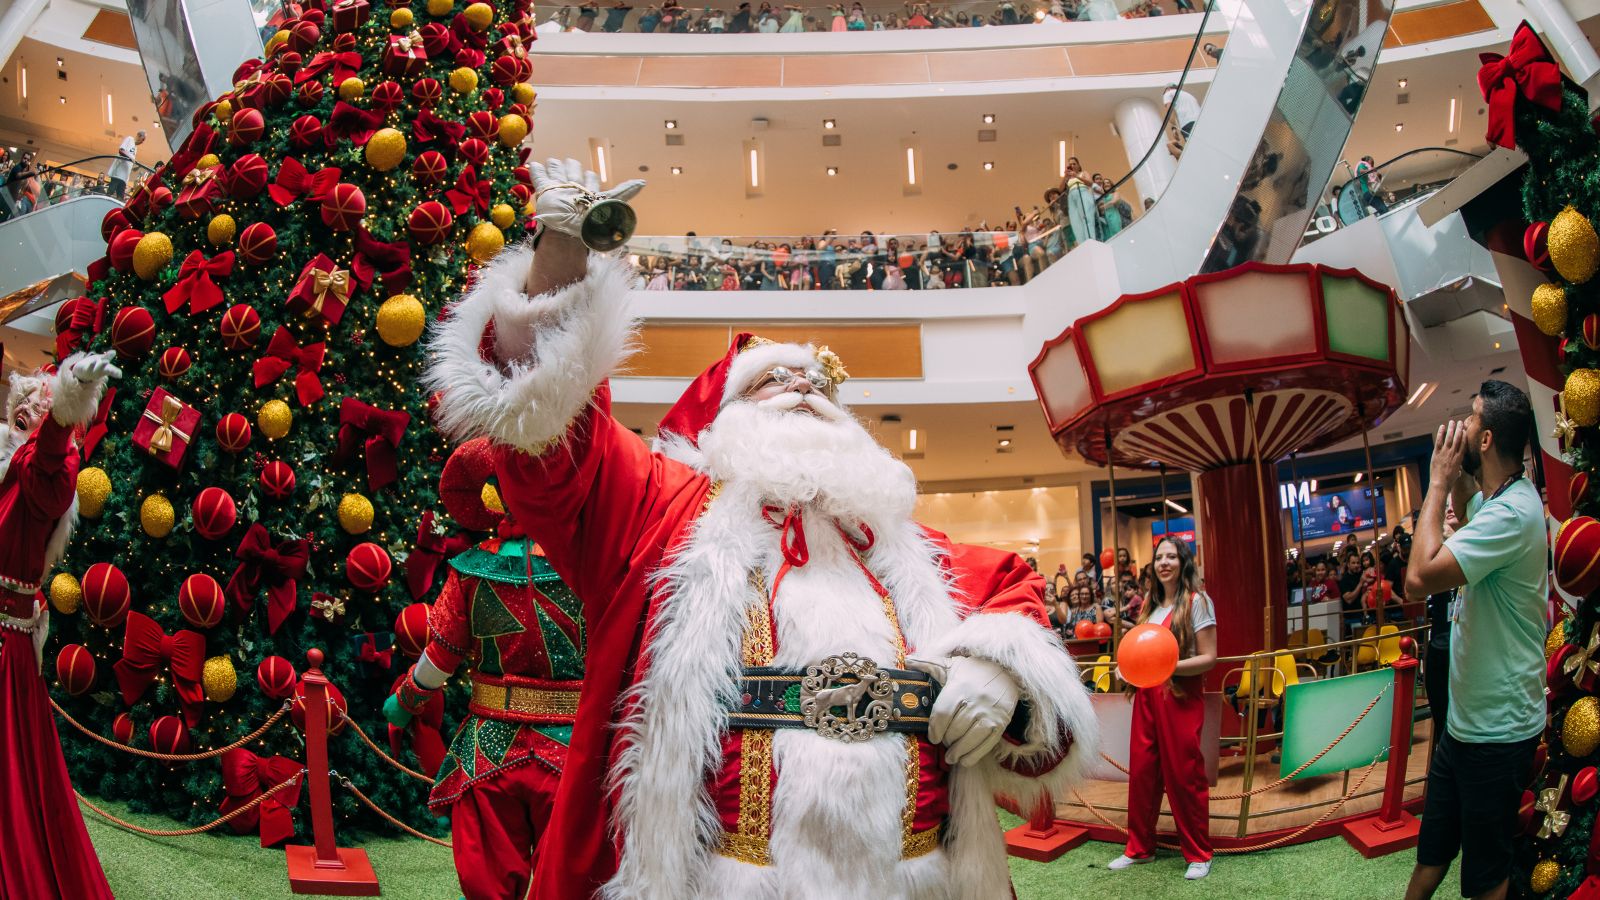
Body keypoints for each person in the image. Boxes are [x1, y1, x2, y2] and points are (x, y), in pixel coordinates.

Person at [424, 159, 1093, 899]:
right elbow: (551, 437)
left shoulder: (911, 553)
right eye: (774, 380)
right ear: (721, 419)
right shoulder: (661, 515)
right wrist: (564, 254)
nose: (804, 386)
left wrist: (1004, 676)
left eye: (817, 384)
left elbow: (1014, 601)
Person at [385, 441, 586, 900]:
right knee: (570, 879)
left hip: (489, 750)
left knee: (489, 880)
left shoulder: (473, 569)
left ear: (493, 495)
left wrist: (406, 701)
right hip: (575, 751)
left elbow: (442, 655)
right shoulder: (587, 561)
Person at [1403, 380, 1545, 900]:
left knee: (1487, 878)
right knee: (1432, 853)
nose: (1461, 424)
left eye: (1470, 417)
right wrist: (1460, 482)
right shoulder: (1499, 498)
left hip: (1498, 734)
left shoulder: (1512, 514)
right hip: (1464, 729)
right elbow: (1469, 513)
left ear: (1485, 439)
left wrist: (1437, 482)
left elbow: (1417, 579)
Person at [0, 353, 121, 900]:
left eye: (40, 402)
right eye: (22, 402)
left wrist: (69, 398)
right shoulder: (6, 465)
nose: (29, 407)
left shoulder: (42, 469)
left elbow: (47, 466)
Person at [1109, 537, 1217, 880]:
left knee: (1184, 775)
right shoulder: (1149, 607)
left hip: (1180, 697)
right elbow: (1142, 655)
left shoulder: (1197, 601)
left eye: (1171, 556)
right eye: (1159, 557)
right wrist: (1125, 669)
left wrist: (1169, 668)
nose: (1164, 562)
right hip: (1146, 697)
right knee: (1142, 774)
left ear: (1183, 561)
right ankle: (1139, 848)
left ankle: (1199, 853)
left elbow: (1209, 658)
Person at [108, 130, 145, 199]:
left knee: (120, 197)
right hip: (118, 174)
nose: (142, 142)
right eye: (143, 139)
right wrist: (131, 157)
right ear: (139, 136)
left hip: (124, 178)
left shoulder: (135, 148)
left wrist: (136, 166)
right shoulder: (130, 139)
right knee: (111, 191)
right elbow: (121, 150)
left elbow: (130, 161)